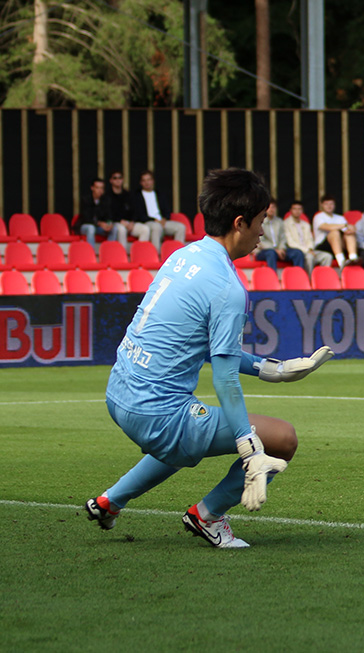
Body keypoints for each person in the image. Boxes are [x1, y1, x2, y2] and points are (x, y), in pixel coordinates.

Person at [84, 168, 334, 548]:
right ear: (239, 223)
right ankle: (207, 516)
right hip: (157, 414)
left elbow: (202, 346)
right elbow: (223, 378)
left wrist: (275, 370)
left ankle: (109, 501)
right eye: (261, 222)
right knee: (283, 438)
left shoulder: (182, 256)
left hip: (119, 393)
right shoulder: (227, 288)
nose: (263, 232)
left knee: (184, 441)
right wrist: (249, 447)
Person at [131, 170, 186, 251]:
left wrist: (164, 218)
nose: (147, 183)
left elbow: (167, 210)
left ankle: (178, 253)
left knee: (181, 227)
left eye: (149, 180)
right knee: (157, 227)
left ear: (152, 181)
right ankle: (156, 255)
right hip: (148, 222)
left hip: (162, 221)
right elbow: (140, 215)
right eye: (144, 180)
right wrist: (155, 220)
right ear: (141, 183)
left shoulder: (159, 194)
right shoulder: (137, 196)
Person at [254, 200, 304, 270]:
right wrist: (275, 250)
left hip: (279, 251)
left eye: (273, 207)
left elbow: (283, 238)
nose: (271, 209)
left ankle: (299, 277)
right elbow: (261, 241)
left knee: (298, 253)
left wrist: (281, 248)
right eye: (269, 207)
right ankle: (273, 278)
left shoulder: (279, 221)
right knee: (271, 253)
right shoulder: (260, 221)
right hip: (264, 251)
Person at [77, 177, 127, 247]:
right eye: (97, 188)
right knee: (91, 228)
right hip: (86, 226)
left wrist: (109, 224)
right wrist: (100, 223)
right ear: (92, 188)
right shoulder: (86, 200)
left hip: (99, 227)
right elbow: (86, 218)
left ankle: (108, 251)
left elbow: (109, 216)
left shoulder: (105, 200)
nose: (99, 190)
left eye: (101, 188)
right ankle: (91, 254)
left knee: (114, 229)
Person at [283, 200, 331, 274]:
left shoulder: (306, 224)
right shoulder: (286, 224)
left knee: (327, 256)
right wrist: (307, 250)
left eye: (299, 209)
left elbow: (310, 239)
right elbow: (290, 243)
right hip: (298, 251)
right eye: (294, 209)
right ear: (290, 210)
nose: (297, 211)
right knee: (309, 257)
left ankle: (322, 279)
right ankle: (309, 281)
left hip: (310, 250)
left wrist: (310, 248)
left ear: (302, 211)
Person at [312, 195, 359, 268]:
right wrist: (344, 225)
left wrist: (351, 229)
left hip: (340, 245)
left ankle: (353, 258)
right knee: (334, 232)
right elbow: (326, 226)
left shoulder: (340, 217)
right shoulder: (318, 216)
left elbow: (347, 229)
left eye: (331, 204)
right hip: (323, 246)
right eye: (326, 204)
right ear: (322, 205)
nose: (329, 206)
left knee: (349, 234)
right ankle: (341, 261)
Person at [106, 171, 135, 241]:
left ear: (122, 180)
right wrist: (120, 221)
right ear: (111, 180)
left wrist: (132, 222)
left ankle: (141, 251)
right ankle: (122, 251)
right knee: (122, 230)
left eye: (120, 178)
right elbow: (108, 214)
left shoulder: (128, 194)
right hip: (115, 222)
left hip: (129, 223)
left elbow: (134, 210)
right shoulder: (107, 196)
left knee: (145, 230)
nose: (118, 180)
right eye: (115, 178)